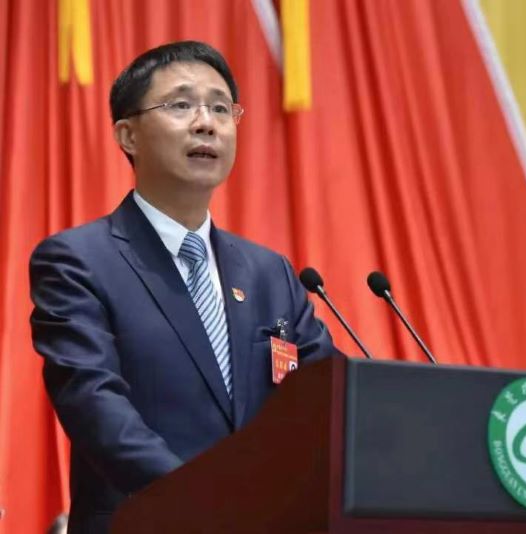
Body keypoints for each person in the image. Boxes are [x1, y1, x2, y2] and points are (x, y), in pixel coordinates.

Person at [29, 41, 336, 534]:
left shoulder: (270, 273)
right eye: (181, 105)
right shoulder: (78, 261)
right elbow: (95, 406)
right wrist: (208, 506)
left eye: (221, 108)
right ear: (128, 135)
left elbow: (327, 403)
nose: (206, 123)